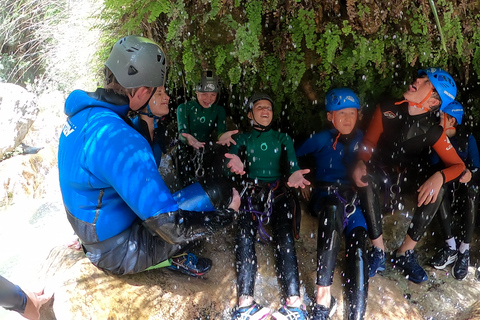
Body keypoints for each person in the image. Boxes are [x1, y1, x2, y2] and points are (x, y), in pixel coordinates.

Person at [58, 35, 240, 276]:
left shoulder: (82, 117)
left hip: (93, 235)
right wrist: (227, 216)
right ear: (143, 92)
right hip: (119, 252)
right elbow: (171, 228)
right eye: (156, 90)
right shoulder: (123, 140)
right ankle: (172, 259)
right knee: (220, 190)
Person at [352, 68, 466, 283]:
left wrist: (440, 176)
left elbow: (458, 165)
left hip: (409, 179)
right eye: (419, 76)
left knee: (438, 187)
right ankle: (378, 251)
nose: (417, 80)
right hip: (381, 171)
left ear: (433, 102)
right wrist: (361, 160)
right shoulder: (387, 109)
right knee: (365, 178)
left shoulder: (433, 130)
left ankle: (404, 252)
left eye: (425, 82)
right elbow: (368, 143)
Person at [225, 92, 310, 320]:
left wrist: (294, 175)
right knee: (244, 235)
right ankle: (245, 303)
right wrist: (233, 161)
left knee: (285, 237)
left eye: (269, 108)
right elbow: (230, 156)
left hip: (278, 193)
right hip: (251, 192)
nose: (265, 111)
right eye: (259, 107)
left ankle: (294, 302)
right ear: (250, 114)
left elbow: (292, 164)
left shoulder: (282, 139)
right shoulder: (243, 138)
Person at [296, 88, 368, 320]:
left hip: (352, 200)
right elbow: (290, 155)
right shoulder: (320, 139)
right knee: (333, 209)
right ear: (330, 116)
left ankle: (357, 315)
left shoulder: (360, 139)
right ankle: (323, 299)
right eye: (341, 113)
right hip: (325, 196)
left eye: (352, 113)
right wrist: (301, 178)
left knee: (358, 248)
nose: (347, 119)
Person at [429, 100, 479, 280]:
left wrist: (470, 176)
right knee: (438, 189)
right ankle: (450, 246)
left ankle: (464, 249)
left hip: (464, 187)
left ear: (452, 121)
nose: (437, 120)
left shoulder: (467, 139)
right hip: (447, 185)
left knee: (472, 191)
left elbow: (476, 167)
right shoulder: (437, 137)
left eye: (441, 117)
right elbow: (433, 166)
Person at [176, 70, 238, 186]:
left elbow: (221, 131)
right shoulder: (184, 108)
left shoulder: (219, 110)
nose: (208, 99)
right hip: (187, 148)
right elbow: (182, 133)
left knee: (211, 177)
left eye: (213, 95)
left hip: (207, 147)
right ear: (196, 91)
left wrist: (222, 136)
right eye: (204, 94)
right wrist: (188, 139)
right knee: (185, 180)